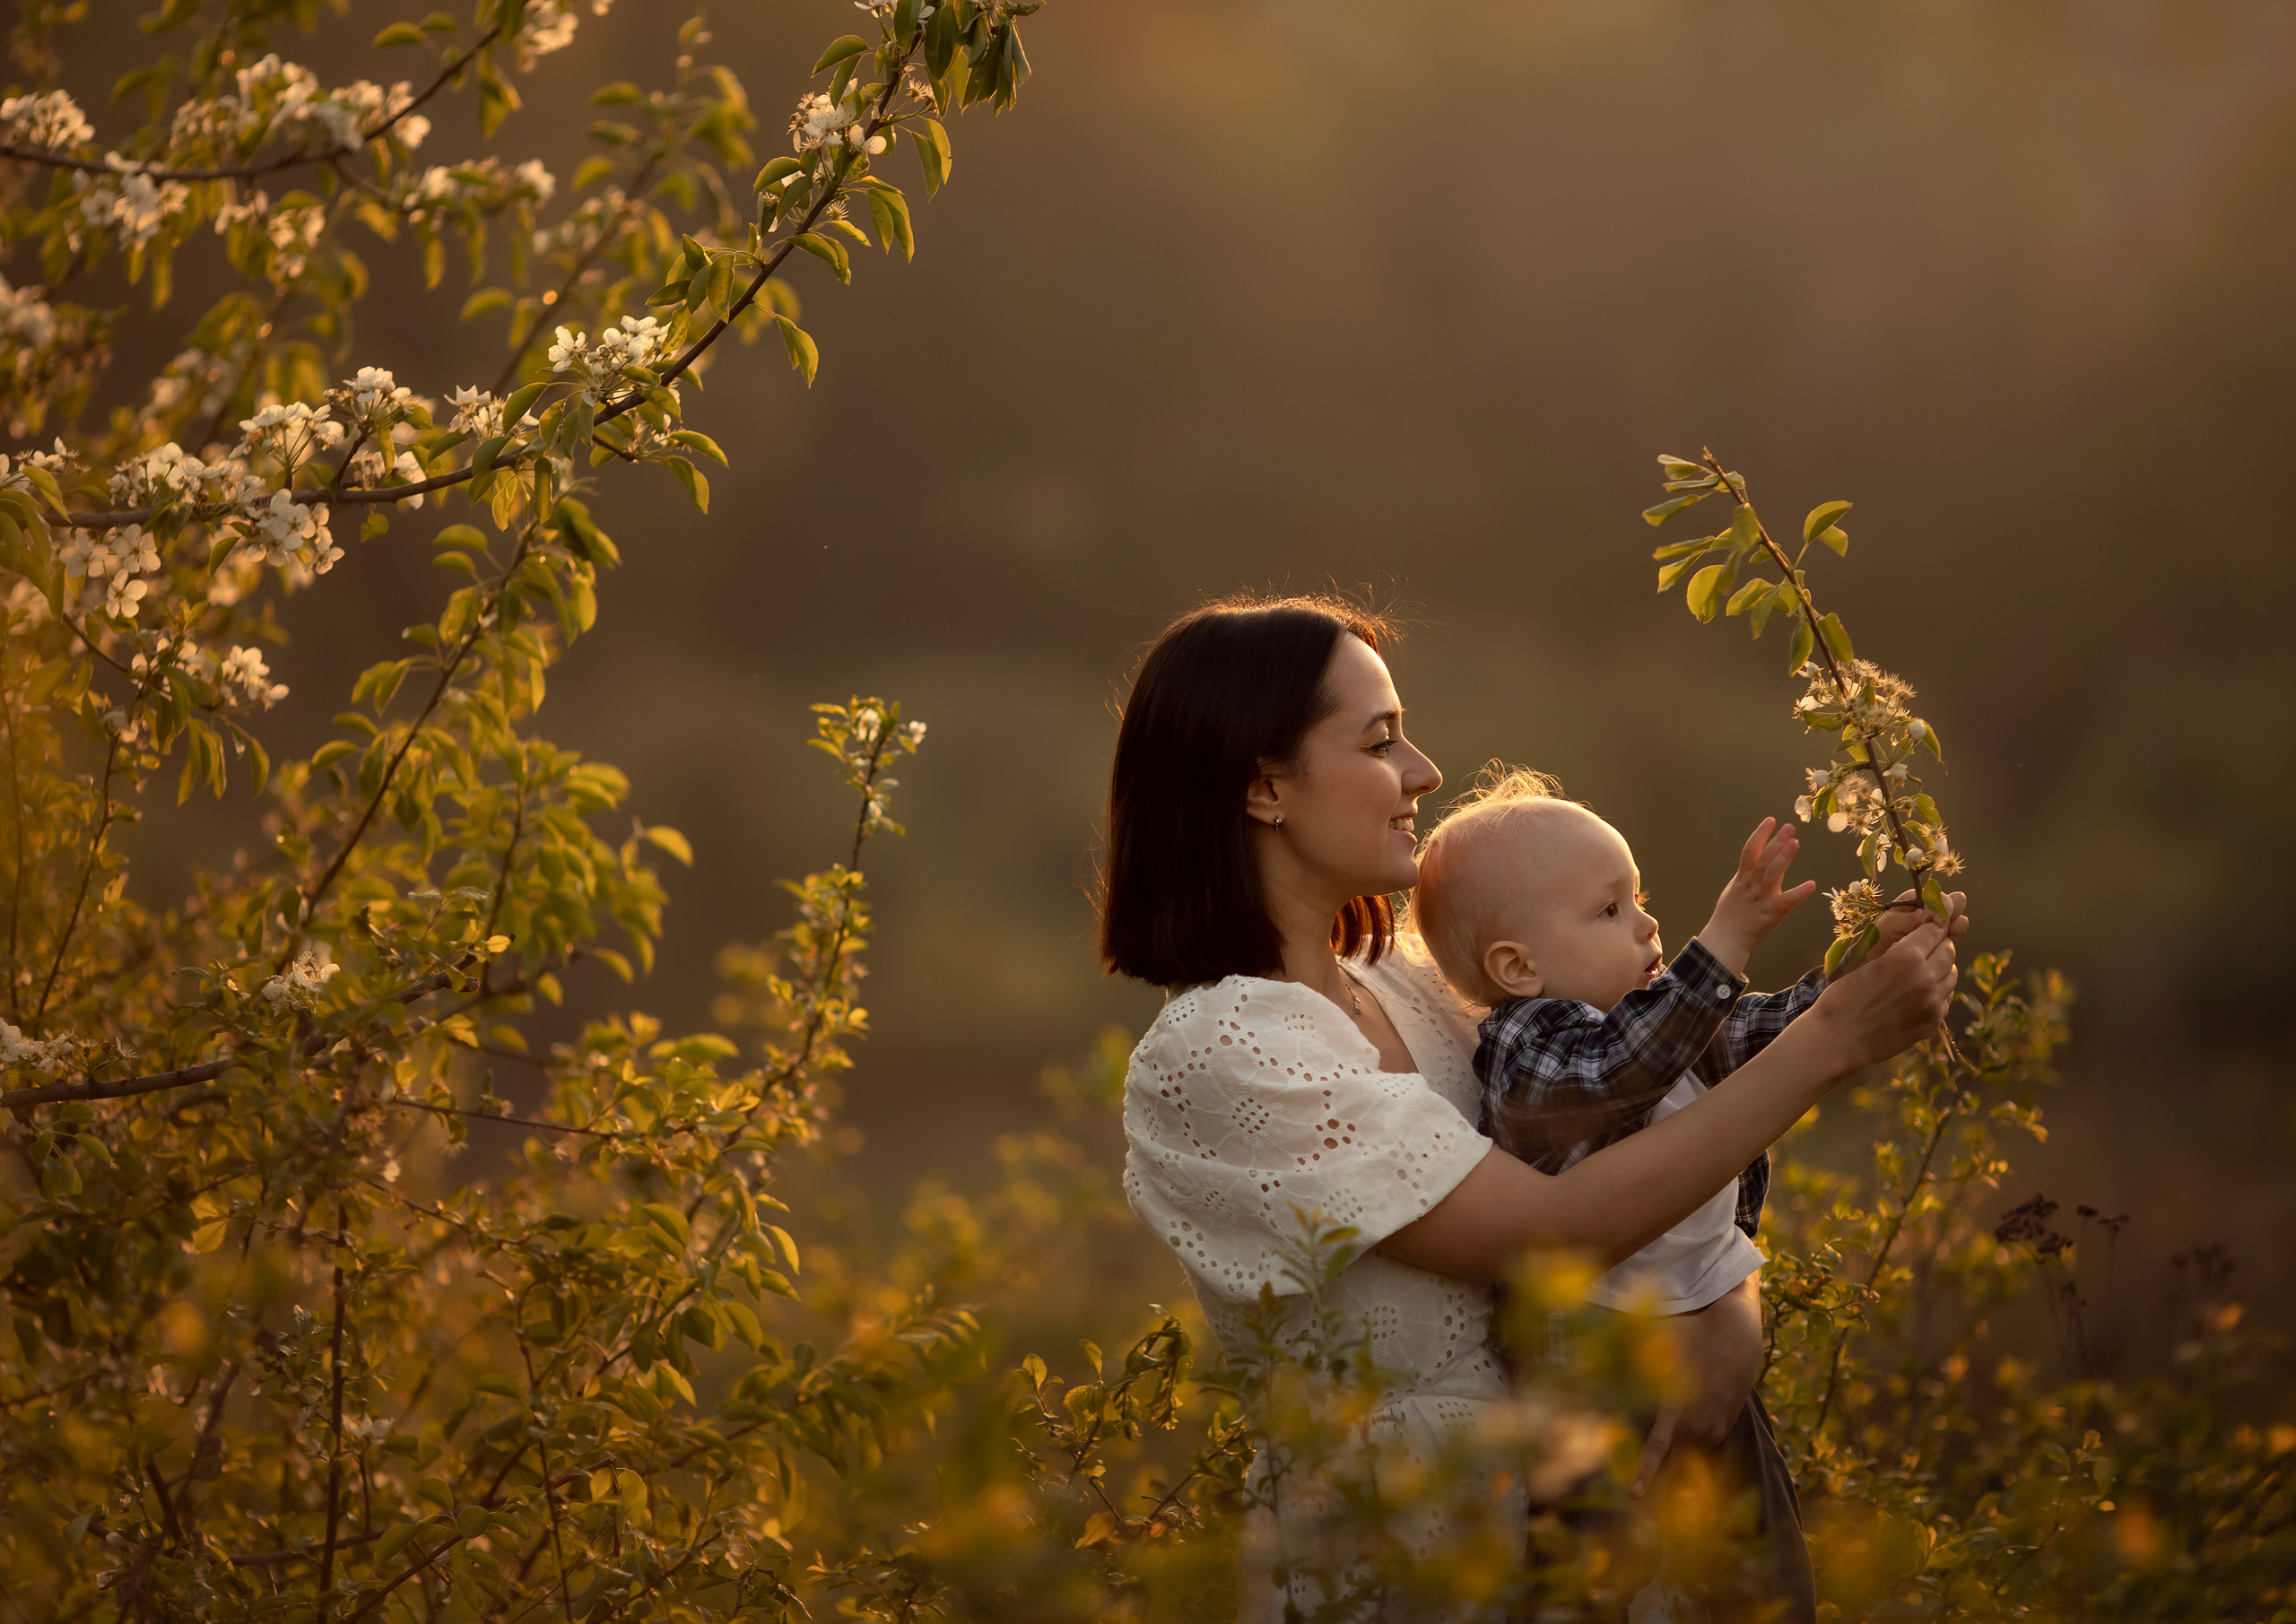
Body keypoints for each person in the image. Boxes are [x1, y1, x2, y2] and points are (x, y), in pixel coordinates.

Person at [1103, 594, 1963, 1620]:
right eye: (1380, 741)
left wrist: (1733, 1307)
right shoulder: (1223, 1051)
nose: (1423, 770)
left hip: (1585, 1518)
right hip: (1408, 1553)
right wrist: (1832, 1043)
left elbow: (1646, 1133)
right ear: (1263, 785)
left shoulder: (1413, 981)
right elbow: (1551, 1231)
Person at [1412, 769, 1960, 1620]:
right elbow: (1621, 1070)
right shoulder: (1531, 1048)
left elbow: (1775, 1029)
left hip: (1707, 1353)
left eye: (1640, 898)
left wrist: (1868, 963)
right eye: (1608, 910)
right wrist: (1725, 941)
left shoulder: (1673, 1021)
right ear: (1516, 967)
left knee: (1765, 1575)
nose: (1647, 923)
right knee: (1594, 1584)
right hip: (1594, 1394)